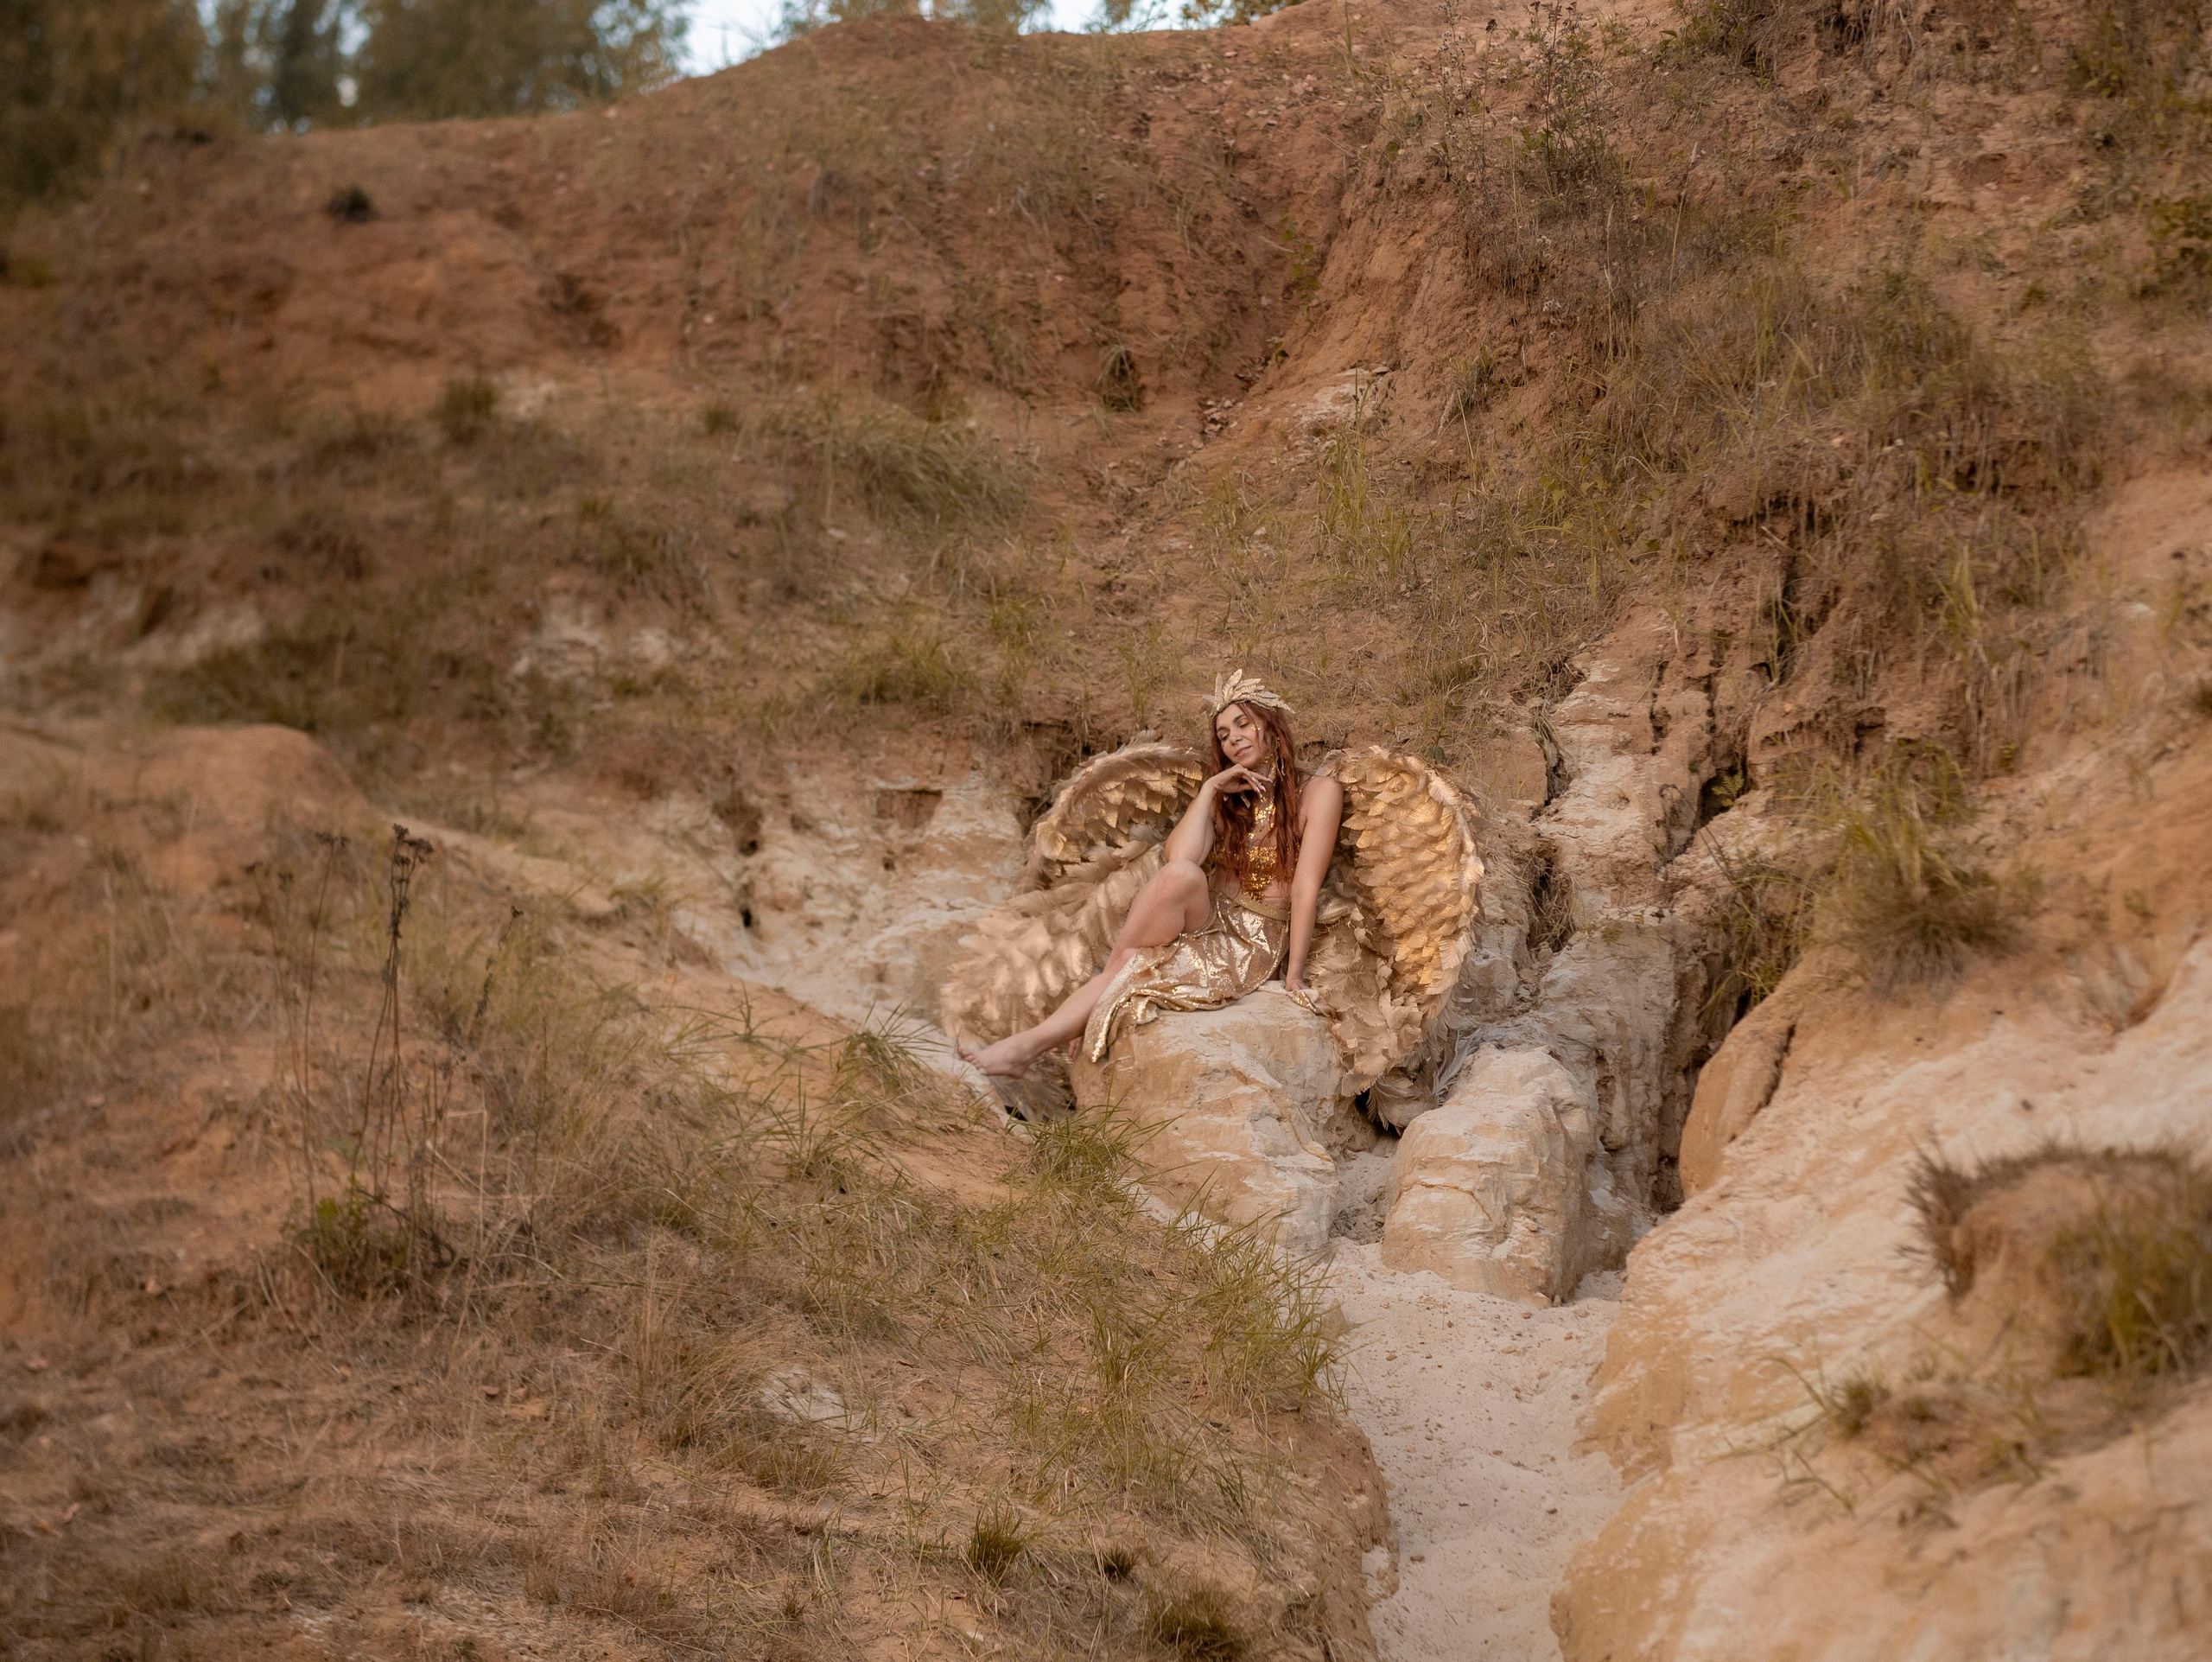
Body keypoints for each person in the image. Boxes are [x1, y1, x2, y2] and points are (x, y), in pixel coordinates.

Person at [961, 672, 1344, 1080]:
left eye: (1243, 723)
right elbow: (1179, 860)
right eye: (1222, 734)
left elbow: (1306, 888)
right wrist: (1210, 790)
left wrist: (1295, 975)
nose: (1233, 738)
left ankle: (1026, 1047)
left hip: (1253, 938)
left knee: (1130, 961)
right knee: (1180, 877)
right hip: (1209, 918)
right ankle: (1056, 1026)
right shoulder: (1231, 796)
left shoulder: (1319, 791)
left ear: (1271, 723)